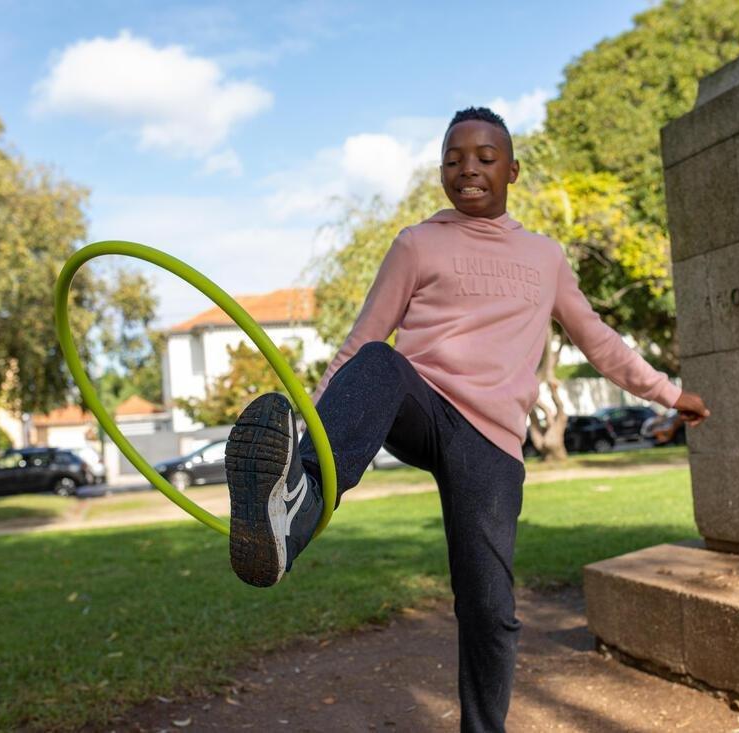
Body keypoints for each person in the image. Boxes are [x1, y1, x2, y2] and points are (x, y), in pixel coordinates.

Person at [223, 106, 709, 732]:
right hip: (420, 404)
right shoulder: (416, 243)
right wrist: (308, 430)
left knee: (489, 608)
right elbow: (358, 345)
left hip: (492, 442)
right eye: (453, 159)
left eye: (483, 158)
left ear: (512, 170)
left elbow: (601, 343)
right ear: (440, 172)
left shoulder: (544, 257)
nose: (468, 169)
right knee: (377, 359)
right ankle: (296, 500)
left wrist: (670, 394)